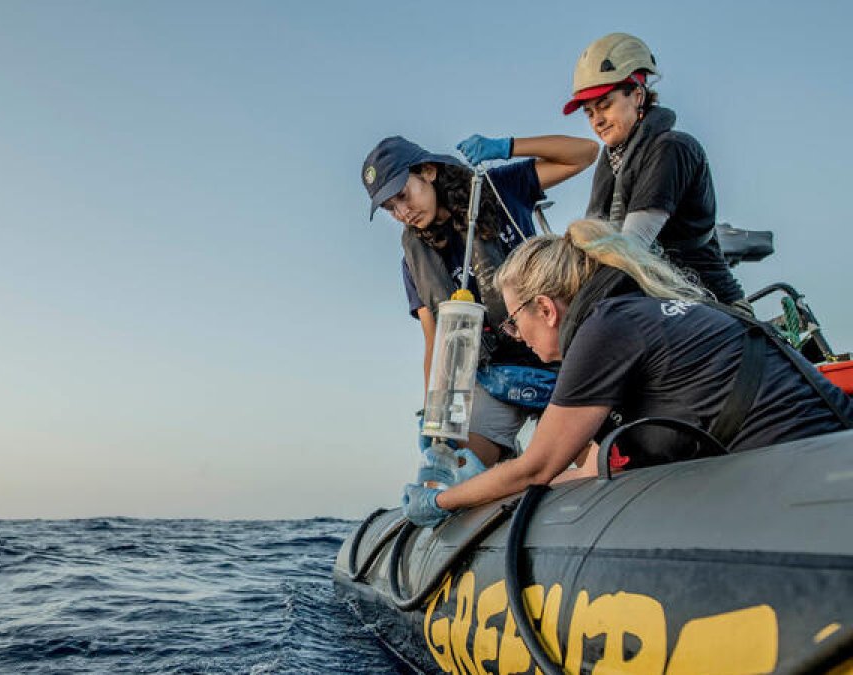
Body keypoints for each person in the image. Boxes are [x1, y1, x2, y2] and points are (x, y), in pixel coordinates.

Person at [401, 219, 853, 527]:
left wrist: (443, 500)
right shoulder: (632, 314)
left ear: (545, 309)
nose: (518, 336)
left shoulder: (605, 328)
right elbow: (591, 467)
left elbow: (536, 467)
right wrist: (481, 487)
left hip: (812, 479)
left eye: (515, 322)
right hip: (815, 461)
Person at [362, 134, 598, 466]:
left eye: (403, 195)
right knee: (454, 467)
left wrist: (508, 147)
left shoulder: (497, 190)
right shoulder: (414, 260)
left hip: (558, 358)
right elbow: (436, 339)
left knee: (596, 461)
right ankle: (503, 465)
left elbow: (584, 154)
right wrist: (436, 410)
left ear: (428, 171)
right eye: (390, 208)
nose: (402, 212)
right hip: (496, 375)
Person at [460, 33, 745, 305]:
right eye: (590, 113)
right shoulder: (613, 159)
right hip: (662, 301)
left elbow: (631, 247)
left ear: (637, 95)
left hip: (707, 303)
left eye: (605, 105)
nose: (597, 120)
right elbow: (593, 237)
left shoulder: (671, 148)